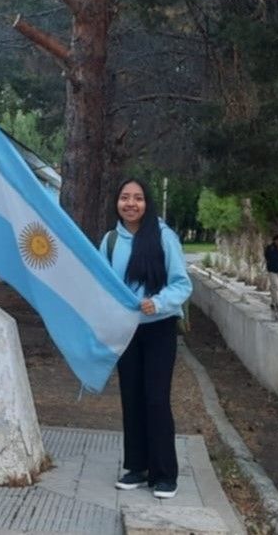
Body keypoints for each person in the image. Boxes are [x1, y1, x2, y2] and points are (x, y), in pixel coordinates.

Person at [101, 178, 192, 500]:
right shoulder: (111, 241)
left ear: (147, 203)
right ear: (117, 202)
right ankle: (136, 467)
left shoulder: (164, 237)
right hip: (127, 331)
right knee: (131, 397)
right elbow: (100, 283)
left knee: (156, 398)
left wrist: (160, 302)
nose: (130, 204)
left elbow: (182, 284)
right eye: (124, 197)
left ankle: (165, 473)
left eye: (137, 198)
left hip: (159, 329)